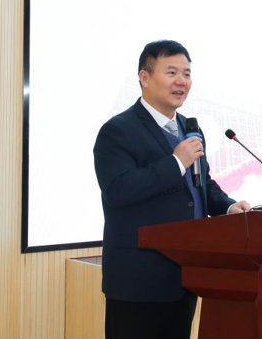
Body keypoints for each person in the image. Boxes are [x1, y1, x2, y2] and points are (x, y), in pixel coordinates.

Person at [93, 40, 251, 339]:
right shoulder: (118, 130)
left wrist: (228, 206)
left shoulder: (190, 128)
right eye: (171, 72)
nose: (182, 81)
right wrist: (176, 162)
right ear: (144, 77)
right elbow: (118, 190)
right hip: (138, 281)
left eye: (187, 73)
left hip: (185, 275)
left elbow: (201, 184)